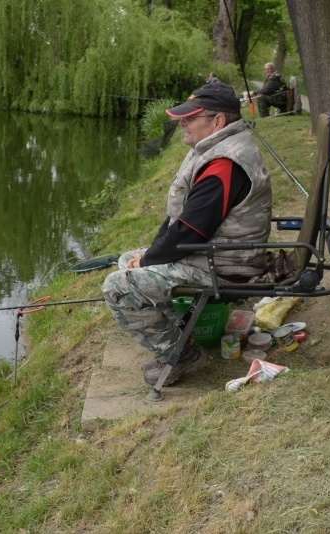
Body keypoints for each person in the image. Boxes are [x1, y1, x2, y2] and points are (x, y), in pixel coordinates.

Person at [102, 81, 273, 386]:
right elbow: (179, 219)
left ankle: (180, 354)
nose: (182, 122)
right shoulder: (216, 149)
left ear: (217, 121)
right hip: (215, 253)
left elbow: (190, 231)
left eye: (190, 118)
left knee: (118, 287)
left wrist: (150, 260)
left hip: (225, 267)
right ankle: (181, 338)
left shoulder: (224, 164)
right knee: (129, 260)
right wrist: (148, 255)